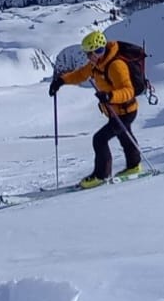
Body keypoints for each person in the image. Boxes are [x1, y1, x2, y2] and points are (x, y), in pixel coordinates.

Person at [49, 30, 143, 188]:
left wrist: (109, 96)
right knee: (125, 137)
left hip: (125, 111)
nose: (88, 57)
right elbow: (81, 74)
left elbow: (128, 91)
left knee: (99, 139)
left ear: (98, 50)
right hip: (116, 111)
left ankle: (101, 175)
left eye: (89, 53)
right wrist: (61, 81)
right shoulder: (97, 64)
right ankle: (134, 166)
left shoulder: (116, 65)